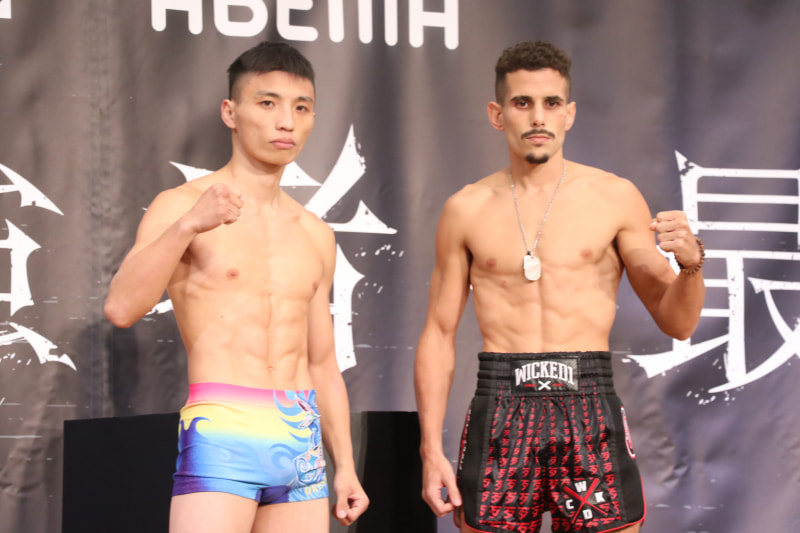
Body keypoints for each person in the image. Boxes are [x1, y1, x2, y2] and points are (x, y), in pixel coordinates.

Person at [414, 40, 705, 533]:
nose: (537, 117)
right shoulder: (465, 209)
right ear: (497, 114)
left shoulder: (614, 198)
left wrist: (691, 267)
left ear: (569, 114)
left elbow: (678, 321)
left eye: (551, 103)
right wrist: (430, 450)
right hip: (500, 406)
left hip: (588, 405)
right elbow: (438, 334)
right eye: (522, 102)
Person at [105, 41, 368, 533]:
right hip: (222, 433)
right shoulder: (181, 205)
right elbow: (121, 308)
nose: (286, 122)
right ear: (230, 112)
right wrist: (188, 225)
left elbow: (321, 362)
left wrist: (346, 466)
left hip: (300, 443)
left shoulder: (315, 233)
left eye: (301, 107)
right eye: (267, 103)